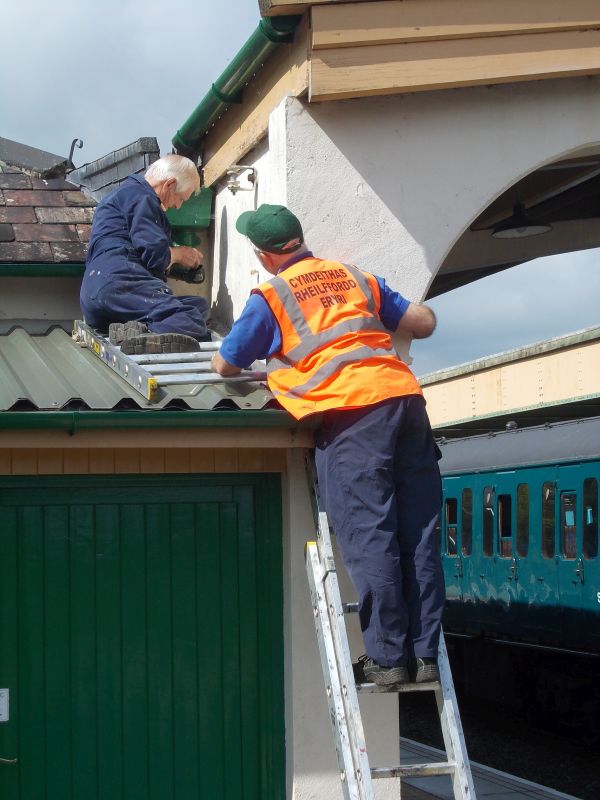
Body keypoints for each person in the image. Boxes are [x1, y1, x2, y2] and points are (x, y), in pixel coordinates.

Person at [211, 204, 445, 688]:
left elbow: (225, 366)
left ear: (264, 255)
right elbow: (420, 323)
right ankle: (424, 656)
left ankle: (387, 659)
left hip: (351, 418)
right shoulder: (352, 276)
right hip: (406, 403)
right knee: (418, 533)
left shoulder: (272, 295)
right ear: (300, 240)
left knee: (370, 534)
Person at [80, 154, 210, 354]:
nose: (178, 206)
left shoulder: (123, 196)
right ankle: (145, 334)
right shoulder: (141, 196)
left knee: (197, 306)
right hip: (121, 283)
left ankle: (133, 331)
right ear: (170, 184)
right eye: (181, 198)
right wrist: (178, 254)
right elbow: (154, 254)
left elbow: (141, 256)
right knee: (191, 323)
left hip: (97, 295)